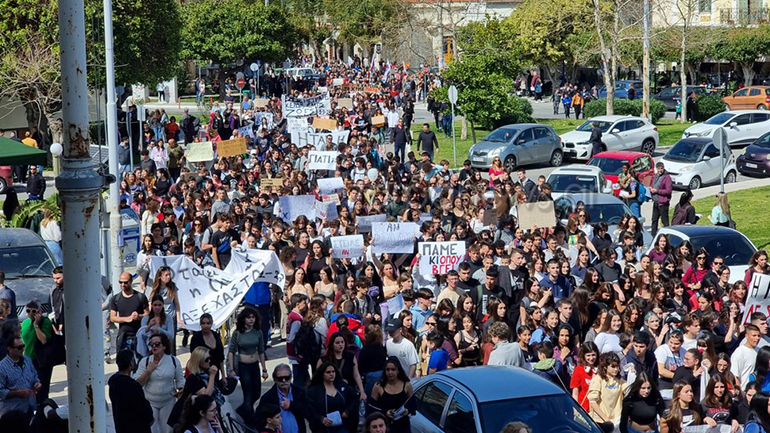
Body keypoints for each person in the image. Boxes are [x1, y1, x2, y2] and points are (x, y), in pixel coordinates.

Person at [133, 332, 185, 433]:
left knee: (168, 430)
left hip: (168, 401)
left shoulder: (174, 361)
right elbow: (137, 384)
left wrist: (181, 390)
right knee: (152, 430)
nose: (154, 346)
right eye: (151, 344)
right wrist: (148, 371)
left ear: (164, 346)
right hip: (150, 402)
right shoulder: (145, 361)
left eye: (157, 344)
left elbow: (180, 380)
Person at [228, 306, 268, 426]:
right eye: (248, 317)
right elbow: (231, 351)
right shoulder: (238, 333)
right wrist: (232, 369)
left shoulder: (258, 332)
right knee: (248, 394)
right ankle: (249, 422)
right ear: (243, 319)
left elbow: (261, 351)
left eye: (253, 317)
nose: (251, 320)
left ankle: (242, 410)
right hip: (243, 366)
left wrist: (264, 369)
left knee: (256, 393)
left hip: (254, 366)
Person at [254, 364, 314, 433]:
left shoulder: (299, 393)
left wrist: (292, 405)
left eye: (287, 377)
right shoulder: (268, 397)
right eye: (280, 378)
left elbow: (310, 413)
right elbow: (258, 420)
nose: (283, 380)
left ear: (291, 377)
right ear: (275, 379)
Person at [306, 362, 359, 433]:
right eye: (328, 372)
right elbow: (309, 409)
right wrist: (321, 419)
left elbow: (354, 399)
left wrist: (347, 411)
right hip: (323, 429)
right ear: (322, 374)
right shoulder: (314, 391)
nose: (331, 374)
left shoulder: (341, 386)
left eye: (333, 372)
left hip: (342, 427)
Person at [108, 349, 153, 433]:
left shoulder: (113, 382)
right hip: (135, 427)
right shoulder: (132, 386)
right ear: (131, 363)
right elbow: (144, 409)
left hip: (120, 425)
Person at [19, 300, 53, 403]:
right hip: (28, 359)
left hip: (42, 360)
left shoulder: (45, 322)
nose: (30, 314)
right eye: (28, 311)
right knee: (29, 386)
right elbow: (22, 339)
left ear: (39, 311)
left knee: (42, 388)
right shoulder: (25, 323)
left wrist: (36, 325)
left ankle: (42, 408)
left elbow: (43, 340)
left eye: (33, 311)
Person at [368, 357, 414, 433]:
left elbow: (413, 403)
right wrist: (385, 412)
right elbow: (372, 407)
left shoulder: (407, 385)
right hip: (384, 426)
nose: (390, 372)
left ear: (398, 370)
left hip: (403, 425)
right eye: (388, 370)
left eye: (393, 369)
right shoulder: (378, 386)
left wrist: (407, 410)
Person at [0, 336, 40, 421]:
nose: (22, 349)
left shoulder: (27, 361)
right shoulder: (2, 368)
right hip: (12, 412)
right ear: (10, 349)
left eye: (23, 346)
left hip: (29, 408)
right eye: (19, 347)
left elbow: (35, 375)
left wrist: (37, 383)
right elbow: (0, 391)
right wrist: (17, 393)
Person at [110, 272, 149, 354]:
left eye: (125, 282)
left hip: (139, 335)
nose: (123, 284)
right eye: (120, 282)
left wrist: (139, 316)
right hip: (124, 336)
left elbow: (147, 314)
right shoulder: (116, 299)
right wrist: (127, 319)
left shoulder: (140, 297)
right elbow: (112, 317)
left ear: (131, 282)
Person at [587, 352, 627, 427]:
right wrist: (606, 420)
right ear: (605, 367)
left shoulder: (619, 380)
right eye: (613, 366)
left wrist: (633, 375)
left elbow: (629, 389)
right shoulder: (598, 379)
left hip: (616, 420)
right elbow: (593, 402)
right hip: (600, 421)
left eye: (617, 366)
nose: (616, 369)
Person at [190, 313, 226, 381]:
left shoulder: (216, 336)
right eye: (203, 323)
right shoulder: (196, 338)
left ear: (211, 324)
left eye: (208, 323)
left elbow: (221, 358)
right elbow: (194, 358)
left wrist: (223, 376)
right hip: (201, 374)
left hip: (215, 372)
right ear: (200, 324)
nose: (206, 325)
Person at [650, 162, 673, 236]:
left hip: (663, 203)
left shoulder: (667, 177)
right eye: (658, 168)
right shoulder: (655, 176)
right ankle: (653, 236)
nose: (660, 170)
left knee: (664, 221)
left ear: (663, 168)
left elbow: (668, 191)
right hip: (656, 202)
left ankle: (667, 236)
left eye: (661, 168)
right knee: (654, 220)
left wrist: (657, 191)